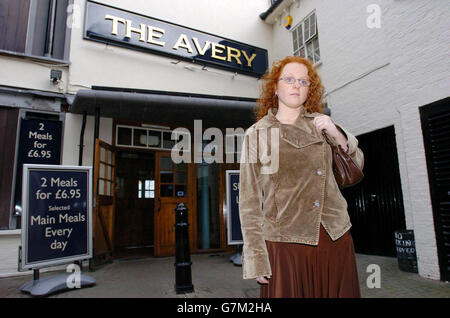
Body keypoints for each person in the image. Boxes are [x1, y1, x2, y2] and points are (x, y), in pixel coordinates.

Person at [238, 56, 364, 298]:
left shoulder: (322, 124)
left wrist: (337, 134)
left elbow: (354, 170)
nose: (296, 85)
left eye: (303, 81)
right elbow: (249, 201)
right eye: (289, 79)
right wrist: (256, 256)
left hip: (334, 237)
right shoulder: (257, 134)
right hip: (286, 244)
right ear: (275, 87)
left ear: (310, 89)